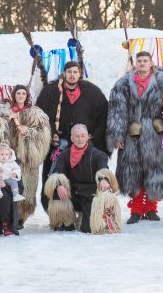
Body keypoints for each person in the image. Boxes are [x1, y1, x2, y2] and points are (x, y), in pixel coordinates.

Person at [107, 51, 163, 224]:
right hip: (132, 135)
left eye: (145, 60)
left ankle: (151, 208)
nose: (142, 63)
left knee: (155, 171)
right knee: (133, 173)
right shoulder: (123, 84)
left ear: (151, 63)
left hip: (156, 136)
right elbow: (116, 111)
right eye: (139, 61)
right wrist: (117, 135)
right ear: (135, 64)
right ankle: (136, 210)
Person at [0, 84, 51, 225]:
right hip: (7, 158)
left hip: (26, 157)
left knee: (25, 186)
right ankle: (5, 216)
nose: (21, 96)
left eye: (24, 93)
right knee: (5, 184)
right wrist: (5, 119)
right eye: (18, 93)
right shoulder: (4, 110)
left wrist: (28, 132)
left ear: (27, 96)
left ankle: (20, 217)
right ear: (14, 95)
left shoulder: (35, 113)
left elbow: (43, 133)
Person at [36, 61, 109, 200]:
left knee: (86, 172)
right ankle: (58, 210)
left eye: (75, 72)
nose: (72, 75)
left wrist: (91, 137)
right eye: (69, 72)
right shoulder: (51, 91)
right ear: (64, 73)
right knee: (55, 173)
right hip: (60, 142)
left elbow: (103, 115)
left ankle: (86, 203)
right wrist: (51, 134)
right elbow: (41, 116)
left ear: (79, 74)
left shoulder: (92, 92)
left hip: (83, 142)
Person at [43, 124, 116, 233]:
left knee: (88, 229)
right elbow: (57, 171)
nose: (80, 139)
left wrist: (104, 179)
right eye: (77, 136)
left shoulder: (99, 155)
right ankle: (65, 221)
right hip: (72, 193)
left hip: (90, 195)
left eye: (83, 136)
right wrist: (59, 185)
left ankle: (85, 217)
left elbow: (103, 169)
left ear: (88, 137)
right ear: (72, 138)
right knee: (56, 188)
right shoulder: (64, 155)